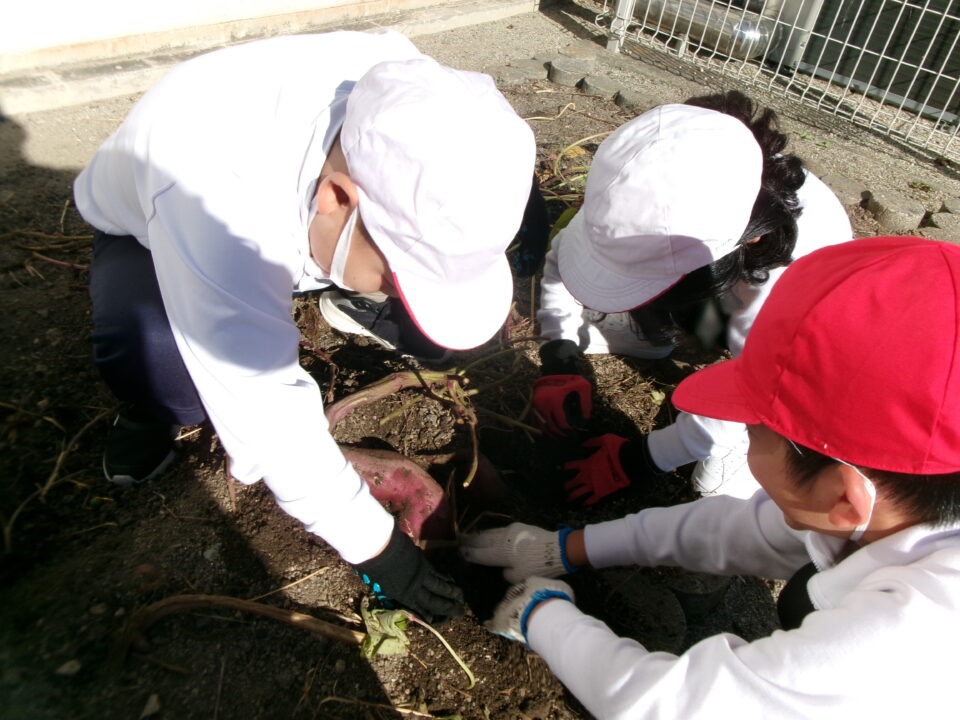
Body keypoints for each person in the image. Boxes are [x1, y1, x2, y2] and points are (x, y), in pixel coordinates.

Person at [74, 30, 536, 621]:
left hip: (312, 230)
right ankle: (149, 406)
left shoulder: (419, 98)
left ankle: (350, 293)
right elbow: (265, 411)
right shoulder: (213, 199)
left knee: (433, 323)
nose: (399, 289)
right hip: (146, 229)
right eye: (394, 277)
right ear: (337, 197)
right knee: (167, 364)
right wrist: (379, 550)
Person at [462, 236, 960, 718]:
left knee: (804, 599)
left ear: (845, 500)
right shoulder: (890, 501)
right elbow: (742, 530)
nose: (743, 435)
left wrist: (542, 614)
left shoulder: (909, 638)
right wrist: (567, 548)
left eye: (752, 429)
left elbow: (666, 706)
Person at [532, 91, 852, 502]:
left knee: (715, 485)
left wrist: (637, 458)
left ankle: (695, 343)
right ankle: (657, 338)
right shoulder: (643, 184)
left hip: (780, 348)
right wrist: (557, 352)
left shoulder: (787, 291)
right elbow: (562, 259)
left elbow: (757, 392)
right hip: (721, 293)